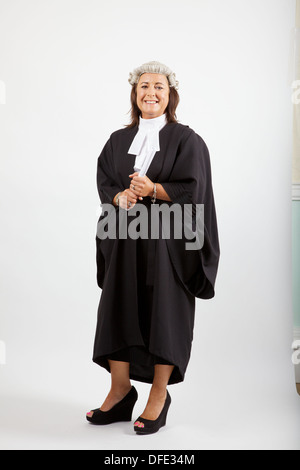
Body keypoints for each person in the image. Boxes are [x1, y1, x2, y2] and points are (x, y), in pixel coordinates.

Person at [86, 61, 220, 435]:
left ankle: (158, 395)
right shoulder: (116, 140)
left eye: (159, 87)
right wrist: (120, 196)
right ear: (135, 92)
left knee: (164, 314)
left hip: (170, 246)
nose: (151, 92)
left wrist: (154, 191)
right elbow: (105, 180)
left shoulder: (186, 140)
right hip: (125, 240)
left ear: (170, 94)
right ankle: (120, 391)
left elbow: (194, 191)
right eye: (145, 85)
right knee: (118, 307)